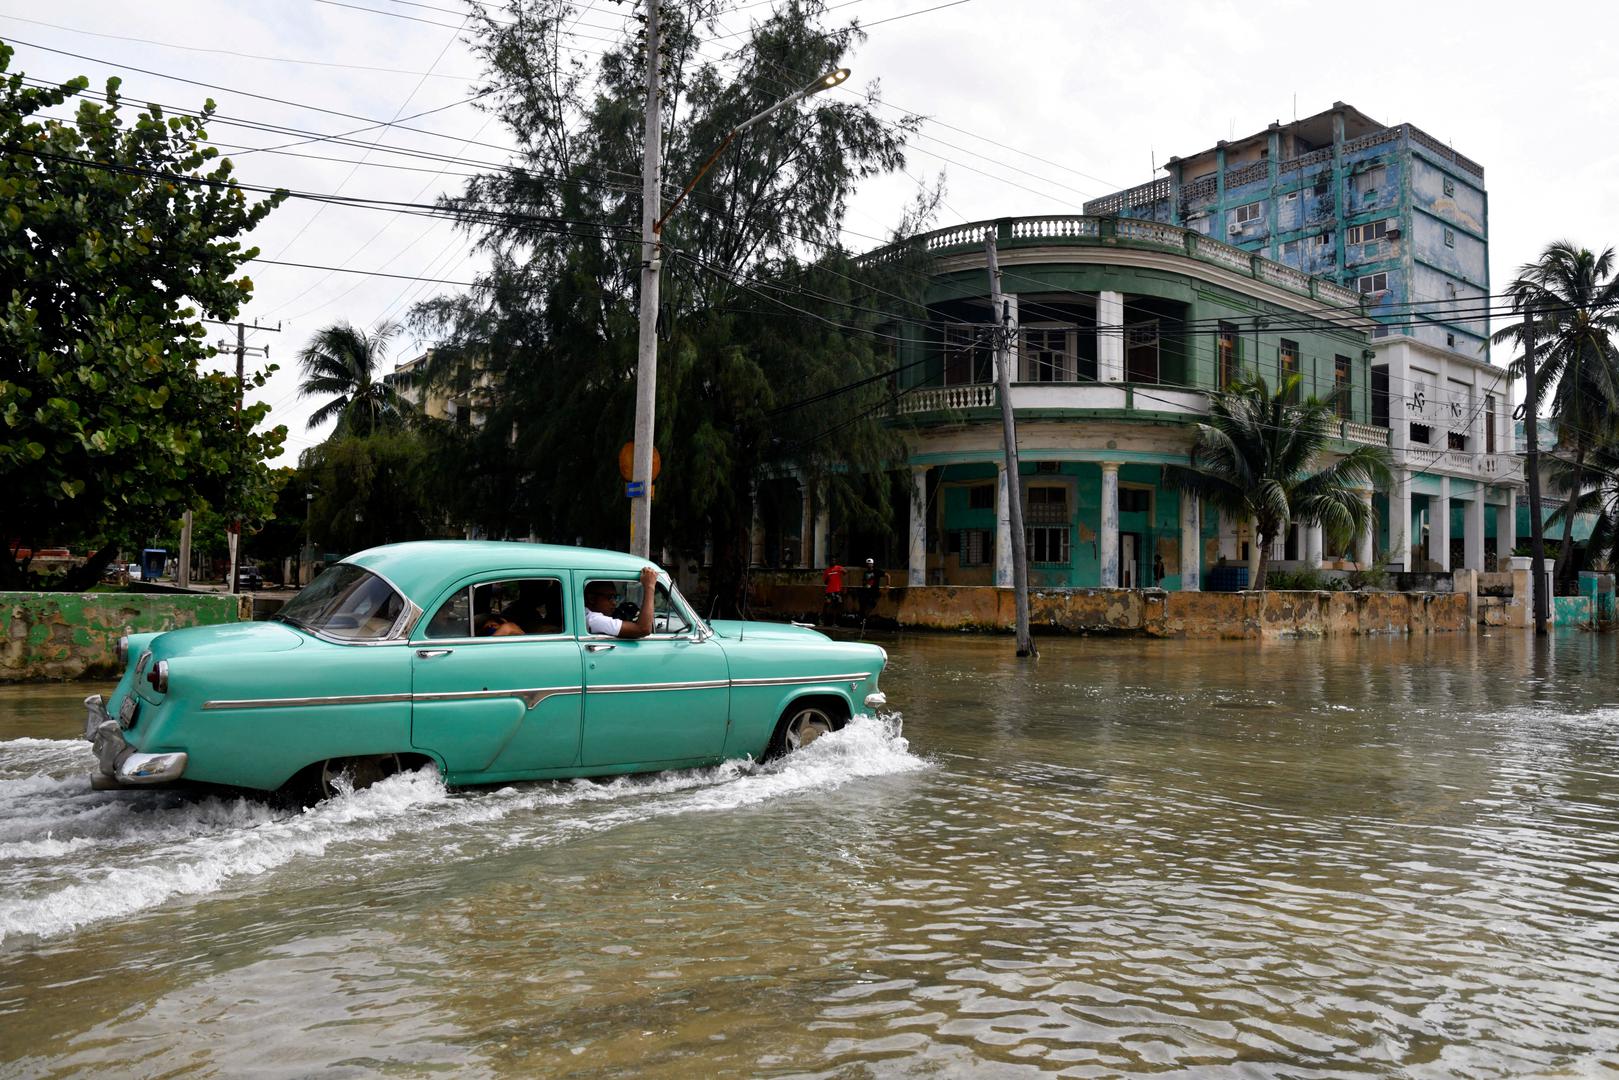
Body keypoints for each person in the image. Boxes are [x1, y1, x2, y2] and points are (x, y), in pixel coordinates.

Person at [584, 566, 658, 638]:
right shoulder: (593, 620)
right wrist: (650, 586)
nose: (614, 603)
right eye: (610, 597)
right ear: (592, 598)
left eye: (615, 597)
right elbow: (643, 629)